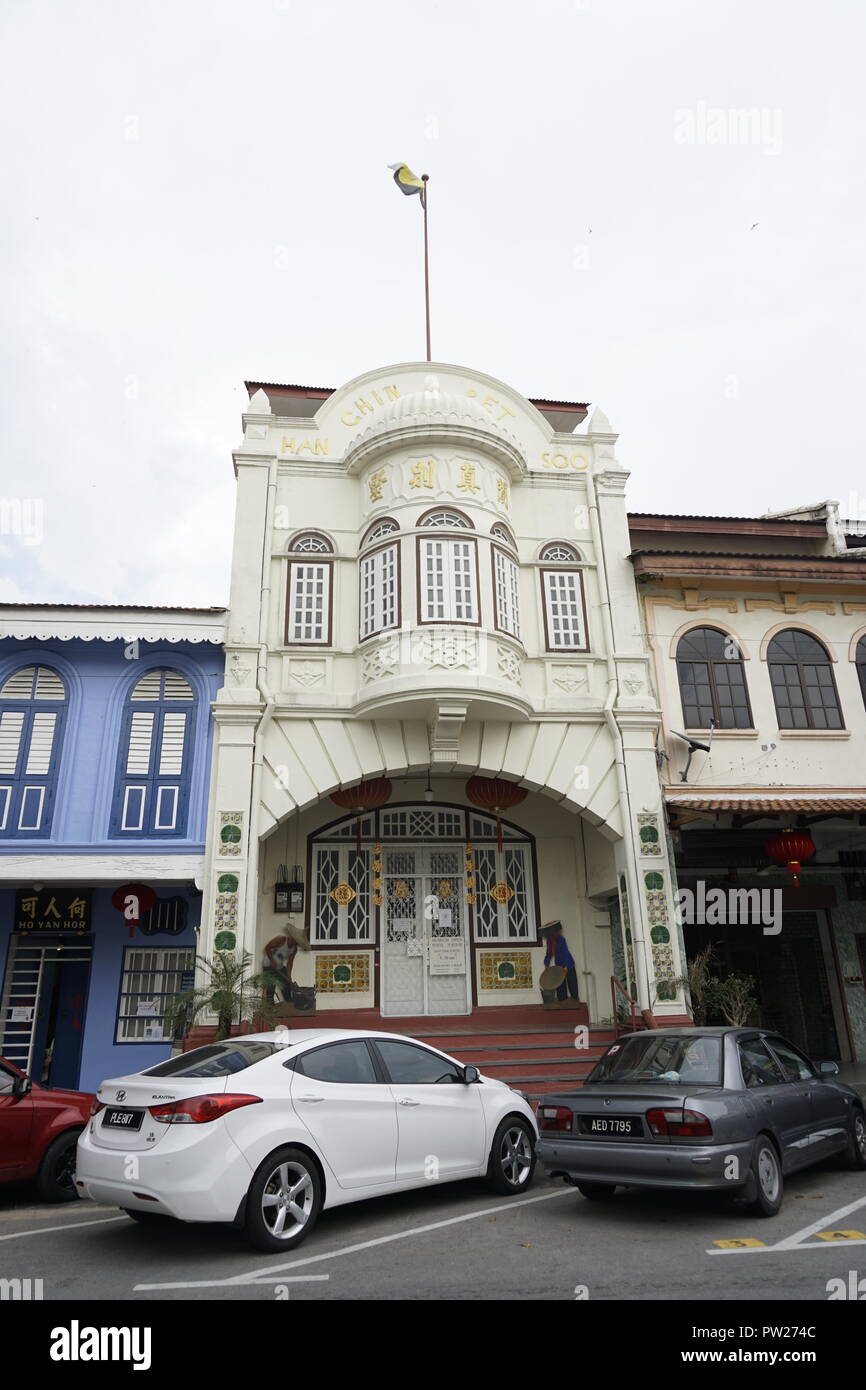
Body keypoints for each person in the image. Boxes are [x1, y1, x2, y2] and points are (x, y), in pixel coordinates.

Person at [541, 921, 580, 1002]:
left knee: (572, 982)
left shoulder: (561, 939)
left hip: (568, 963)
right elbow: (548, 953)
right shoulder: (550, 941)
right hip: (558, 964)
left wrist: (566, 966)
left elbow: (565, 952)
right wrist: (546, 965)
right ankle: (562, 1000)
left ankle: (575, 999)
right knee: (560, 983)